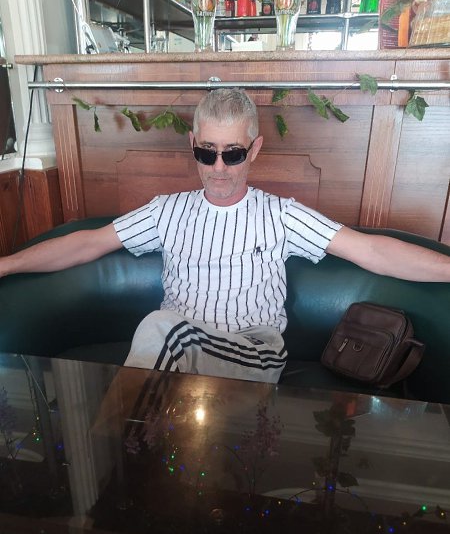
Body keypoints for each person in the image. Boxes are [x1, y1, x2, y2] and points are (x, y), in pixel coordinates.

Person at [1, 88, 449, 383]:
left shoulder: (281, 216)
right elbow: (88, 243)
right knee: (168, 339)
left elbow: (371, 251)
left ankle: (117, 453)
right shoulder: (166, 211)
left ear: (254, 150)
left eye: (232, 154)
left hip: (254, 352)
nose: (218, 168)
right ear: (192, 144)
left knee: (160, 328)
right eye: (207, 152)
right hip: (179, 354)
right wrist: (7, 264)